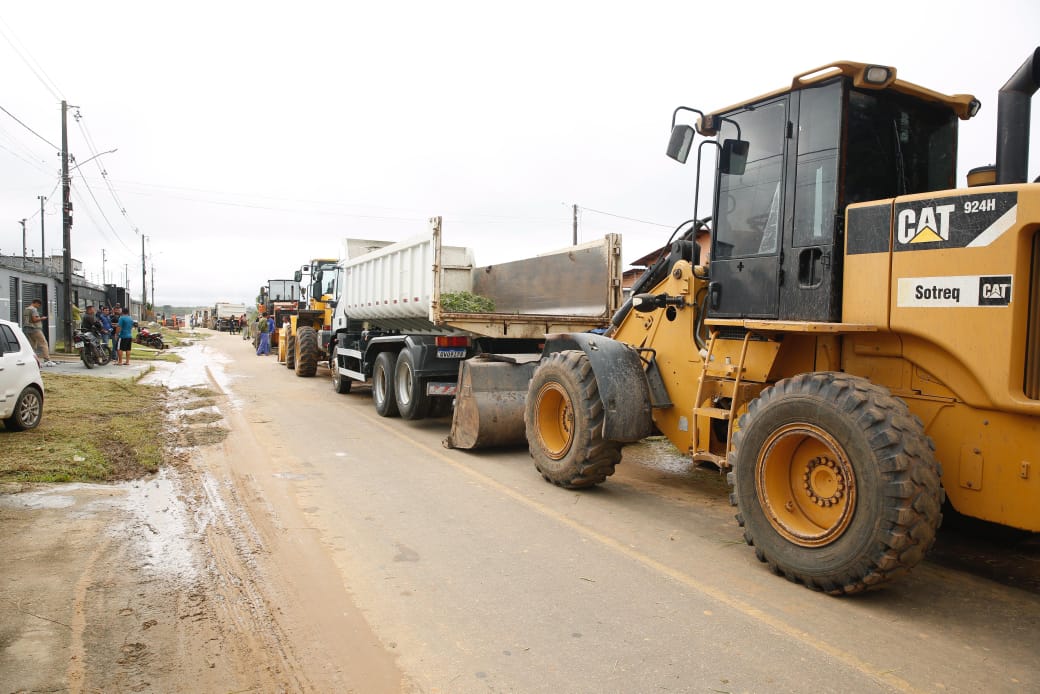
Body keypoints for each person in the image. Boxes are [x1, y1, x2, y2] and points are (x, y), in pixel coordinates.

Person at [22, 298, 57, 366]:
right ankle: (47, 360)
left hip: (27, 329)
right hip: (35, 329)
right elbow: (34, 319)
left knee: (32, 345)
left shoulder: (26, 309)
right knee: (44, 343)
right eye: (39, 305)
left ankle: (31, 359)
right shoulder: (33, 309)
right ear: (36, 303)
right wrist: (42, 318)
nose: (39, 306)